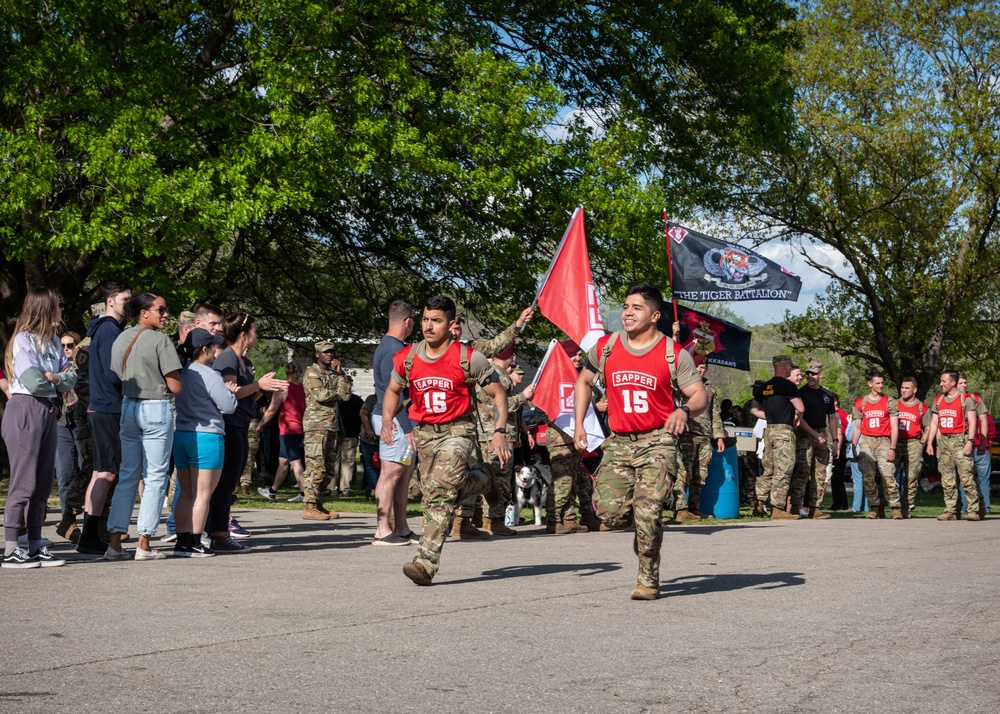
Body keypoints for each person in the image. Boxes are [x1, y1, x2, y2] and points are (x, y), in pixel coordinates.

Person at [574, 284, 706, 600]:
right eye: (626, 306)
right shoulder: (605, 348)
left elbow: (699, 394)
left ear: (655, 315)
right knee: (609, 514)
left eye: (637, 307)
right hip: (618, 441)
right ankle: (644, 532)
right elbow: (584, 380)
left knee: (648, 509)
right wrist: (580, 422)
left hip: (658, 441)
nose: (628, 312)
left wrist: (683, 410)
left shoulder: (673, 353)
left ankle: (648, 577)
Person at [382, 295, 511, 585]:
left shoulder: (468, 357)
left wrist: (499, 432)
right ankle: (486, 479)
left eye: (436, 321)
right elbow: (393, 390)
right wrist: (389, 420)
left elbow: (499, 394)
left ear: (451, 324)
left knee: (439, 492)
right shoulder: (408, 357)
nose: (428, 326)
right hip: (424, 433)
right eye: (425, 319)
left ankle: (425, 563)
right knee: (434, 493)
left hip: (457, 432)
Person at [105, 292, 184, 560]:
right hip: (156, 407)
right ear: (144, 313)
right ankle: (144, 543)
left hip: (129, 405)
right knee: (155, 477)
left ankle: (114, 544)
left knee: (128, 475)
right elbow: (175, 385)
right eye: (160, 310)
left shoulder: (122, 337)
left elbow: (116, 371)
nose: (165, 314)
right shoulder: (161, 340)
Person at [2, 288, 77, 568]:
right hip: (25, 408)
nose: (62, 309)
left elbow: (71, 377)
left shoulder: (54, 341)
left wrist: (55, 377)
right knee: (24, 482)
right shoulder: (22, 340)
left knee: (44, 482)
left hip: (47, 409)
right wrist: (58, 380)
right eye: (59, 305)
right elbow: (33, 382)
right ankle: (11, 547)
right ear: (45, 308)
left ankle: (35, 544)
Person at [207, 311, 287, 550]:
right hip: (229, 425)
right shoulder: (228, 358)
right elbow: (229, 392)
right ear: (244, 334)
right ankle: (219, 533)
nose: (256, 336)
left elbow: (247, 393)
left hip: (242, 423)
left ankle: (218, 530)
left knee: (231, 479)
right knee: (226, 481)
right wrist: (258, 385)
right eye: (254, 332)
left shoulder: (245, 361)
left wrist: (264, 388)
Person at [172, 329, 239, 556]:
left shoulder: (183, 371)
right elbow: (228, 406)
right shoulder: (209, 374)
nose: (215, 351)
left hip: (182, 434)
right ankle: (194, 541)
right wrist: (229, 392)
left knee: (186, 493)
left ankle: (181, 541)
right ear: (204, 349)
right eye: (213, 347)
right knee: (203, 494)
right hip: (207, 435)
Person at [77, 280, 131, 554]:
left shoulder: (104, 328)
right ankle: (89, 536)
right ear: (110, 301)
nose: (129, 304)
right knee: (108, 473)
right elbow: (114, 373)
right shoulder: (109, 331)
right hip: (109, 407)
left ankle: (88, 535)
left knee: (101, 472)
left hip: (101, 408)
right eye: (125, 300)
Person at [371, 301, 418, 545]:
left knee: (403, 473)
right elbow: (394, 392)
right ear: (407, 321)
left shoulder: (394, 346)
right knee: (391, 473)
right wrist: (406, 427)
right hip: (394, 419)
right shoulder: (392, 350)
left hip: (399, 418)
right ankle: (382, 530)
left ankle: (401, 528)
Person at [301, 341, 352, 520]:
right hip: (316, 428)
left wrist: (340, 374)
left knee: (328, 469)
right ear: (317, 354)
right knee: (315, 467)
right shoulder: (311, 372)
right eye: (325, 352)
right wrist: (337, 392)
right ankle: (310, 506)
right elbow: (321, 395)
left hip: (331, 426)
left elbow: (346, 396)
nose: (329, 355)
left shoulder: (333, 374)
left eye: (331, 352)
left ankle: (319, 504)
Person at [751, 356, 806, 520]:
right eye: (789, 366)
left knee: (768, 469)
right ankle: (778, 508)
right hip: (784, 431)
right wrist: (797, 416)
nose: (790, 369)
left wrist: (768, 416)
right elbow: (800, 406)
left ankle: (759, 504)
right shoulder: (788, 386)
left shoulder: (766, 386)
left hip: (769, 430)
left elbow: (754, 409)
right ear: (784, 366)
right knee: (783, 470)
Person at [672, 354, 725, 521]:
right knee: (683, 473)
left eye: (703, 368)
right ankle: (680, 509)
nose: (700, 371)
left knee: (700, 475)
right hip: (686, 434)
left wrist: (719, 436)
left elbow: (715, 414)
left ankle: (694, 508)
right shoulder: (682, 386)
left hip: (704, 436)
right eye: (697, 368)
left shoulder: (710, 389)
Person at [926, 371, 982, 521]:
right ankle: (951, 510)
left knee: (966, 477)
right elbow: (934, 423)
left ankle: (974, 509)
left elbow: (973, 422)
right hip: (944, 441)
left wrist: (970, 441)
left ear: (953, 382)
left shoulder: (966, 399)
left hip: (960, 440)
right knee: (947, 478)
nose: (941, 384)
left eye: (944, 381)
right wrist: (931, 443)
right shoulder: (938, 400)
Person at [851, 369, 902, 520]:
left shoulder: (889, 402)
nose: (880, 386)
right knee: (868, 476)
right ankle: (874, 507)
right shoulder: (861, 403)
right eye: (877, 383)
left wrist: (892, 447)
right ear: (870, 384)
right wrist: (854, 446)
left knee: (888, 475)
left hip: (884, 440)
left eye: (882, 383)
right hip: (867, 440)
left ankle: (894, 507)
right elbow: (858, 426)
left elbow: (894, 427)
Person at [793, 359, 839, 519]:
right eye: (807, 374)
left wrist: (835, 440)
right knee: (803, 471)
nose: (809, 376)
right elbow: (799, 418)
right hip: (805, 434)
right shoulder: (801, 393)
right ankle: (794, 507)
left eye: (813, 373)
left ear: (820, 374)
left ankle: (814, 507)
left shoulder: (826, 394)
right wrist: (814, 434)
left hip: (822, 434)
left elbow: (832, 418)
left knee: (820, 473)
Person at [257, 362, 307, 500]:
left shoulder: (282, 388)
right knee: (283, 462)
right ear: (297, 373)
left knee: (295, 462)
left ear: (286, 373)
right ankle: (272, 491)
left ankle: (304, 493)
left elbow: (272, 410)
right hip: (299, 429)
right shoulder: (303, 388)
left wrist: (260, 424)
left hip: (288, 430)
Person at [956, 374, 991, 516]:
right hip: (959, 447)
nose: (964, 385)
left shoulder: (974, 399)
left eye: (965, 382)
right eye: (961, 383)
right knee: (964, 479)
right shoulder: (946, 400)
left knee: (983, 479)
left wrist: (983, 443)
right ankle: (965, 507)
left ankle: (986, 508)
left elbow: (984, 421)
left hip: (978, 447)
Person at [896, 377, 929, 516]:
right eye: (902, 387)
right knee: (888, 474)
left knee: (911, 477)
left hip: (913, 443)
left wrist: (922, 442)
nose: (903, 390)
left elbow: (928, 427)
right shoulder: (894, 404)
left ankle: (906, 506)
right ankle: (886, 505)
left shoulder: (922, 407)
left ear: (914, 390)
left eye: (907, 388)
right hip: (895, 443)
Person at [336, 391, 364, 496]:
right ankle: (345, 488)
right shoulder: (357, 400)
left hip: (335, 433)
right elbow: (362, 415)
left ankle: (331, 488)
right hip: (351, 434)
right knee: (348, 463)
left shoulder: (334, 399)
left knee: (334, 462)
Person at [358, 393, 379, 499]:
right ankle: (374, 489)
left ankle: (380, 489)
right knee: (370, 465)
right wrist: (369, 429)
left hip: (384, 439)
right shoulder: (372, 399)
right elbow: (363, 413)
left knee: (383, 465)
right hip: (368, 439)